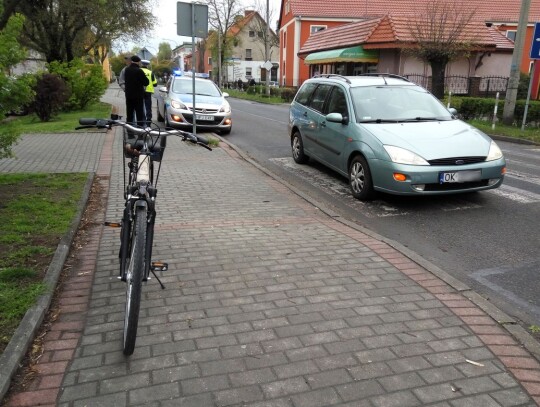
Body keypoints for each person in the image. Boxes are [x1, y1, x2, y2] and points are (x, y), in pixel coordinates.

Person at [124, 55, 149, 129]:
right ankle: (140, 131)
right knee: (139, 114)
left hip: (129, 95)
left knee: (129, 114)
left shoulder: (127, 70)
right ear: (138, 62)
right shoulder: (139, 71)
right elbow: (146, 82)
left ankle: (130, 132)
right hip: (138, 96)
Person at [140, 60, 158, 126]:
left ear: (141, 64)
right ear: (147, 65)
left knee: (140, 107)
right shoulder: (150, 73)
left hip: (140, 92)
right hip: (148, 92)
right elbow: (155, 84)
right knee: (148, 107)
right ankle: (148, 122)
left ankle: (141, 121)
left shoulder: (138, 71)